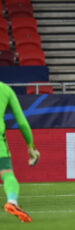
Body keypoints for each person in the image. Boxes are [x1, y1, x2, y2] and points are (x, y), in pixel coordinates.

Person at [0, 81, 40, 222]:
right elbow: (22, 122)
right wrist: (30, 146)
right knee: (7, 175)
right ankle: (12, 202)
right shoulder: (5, 89)